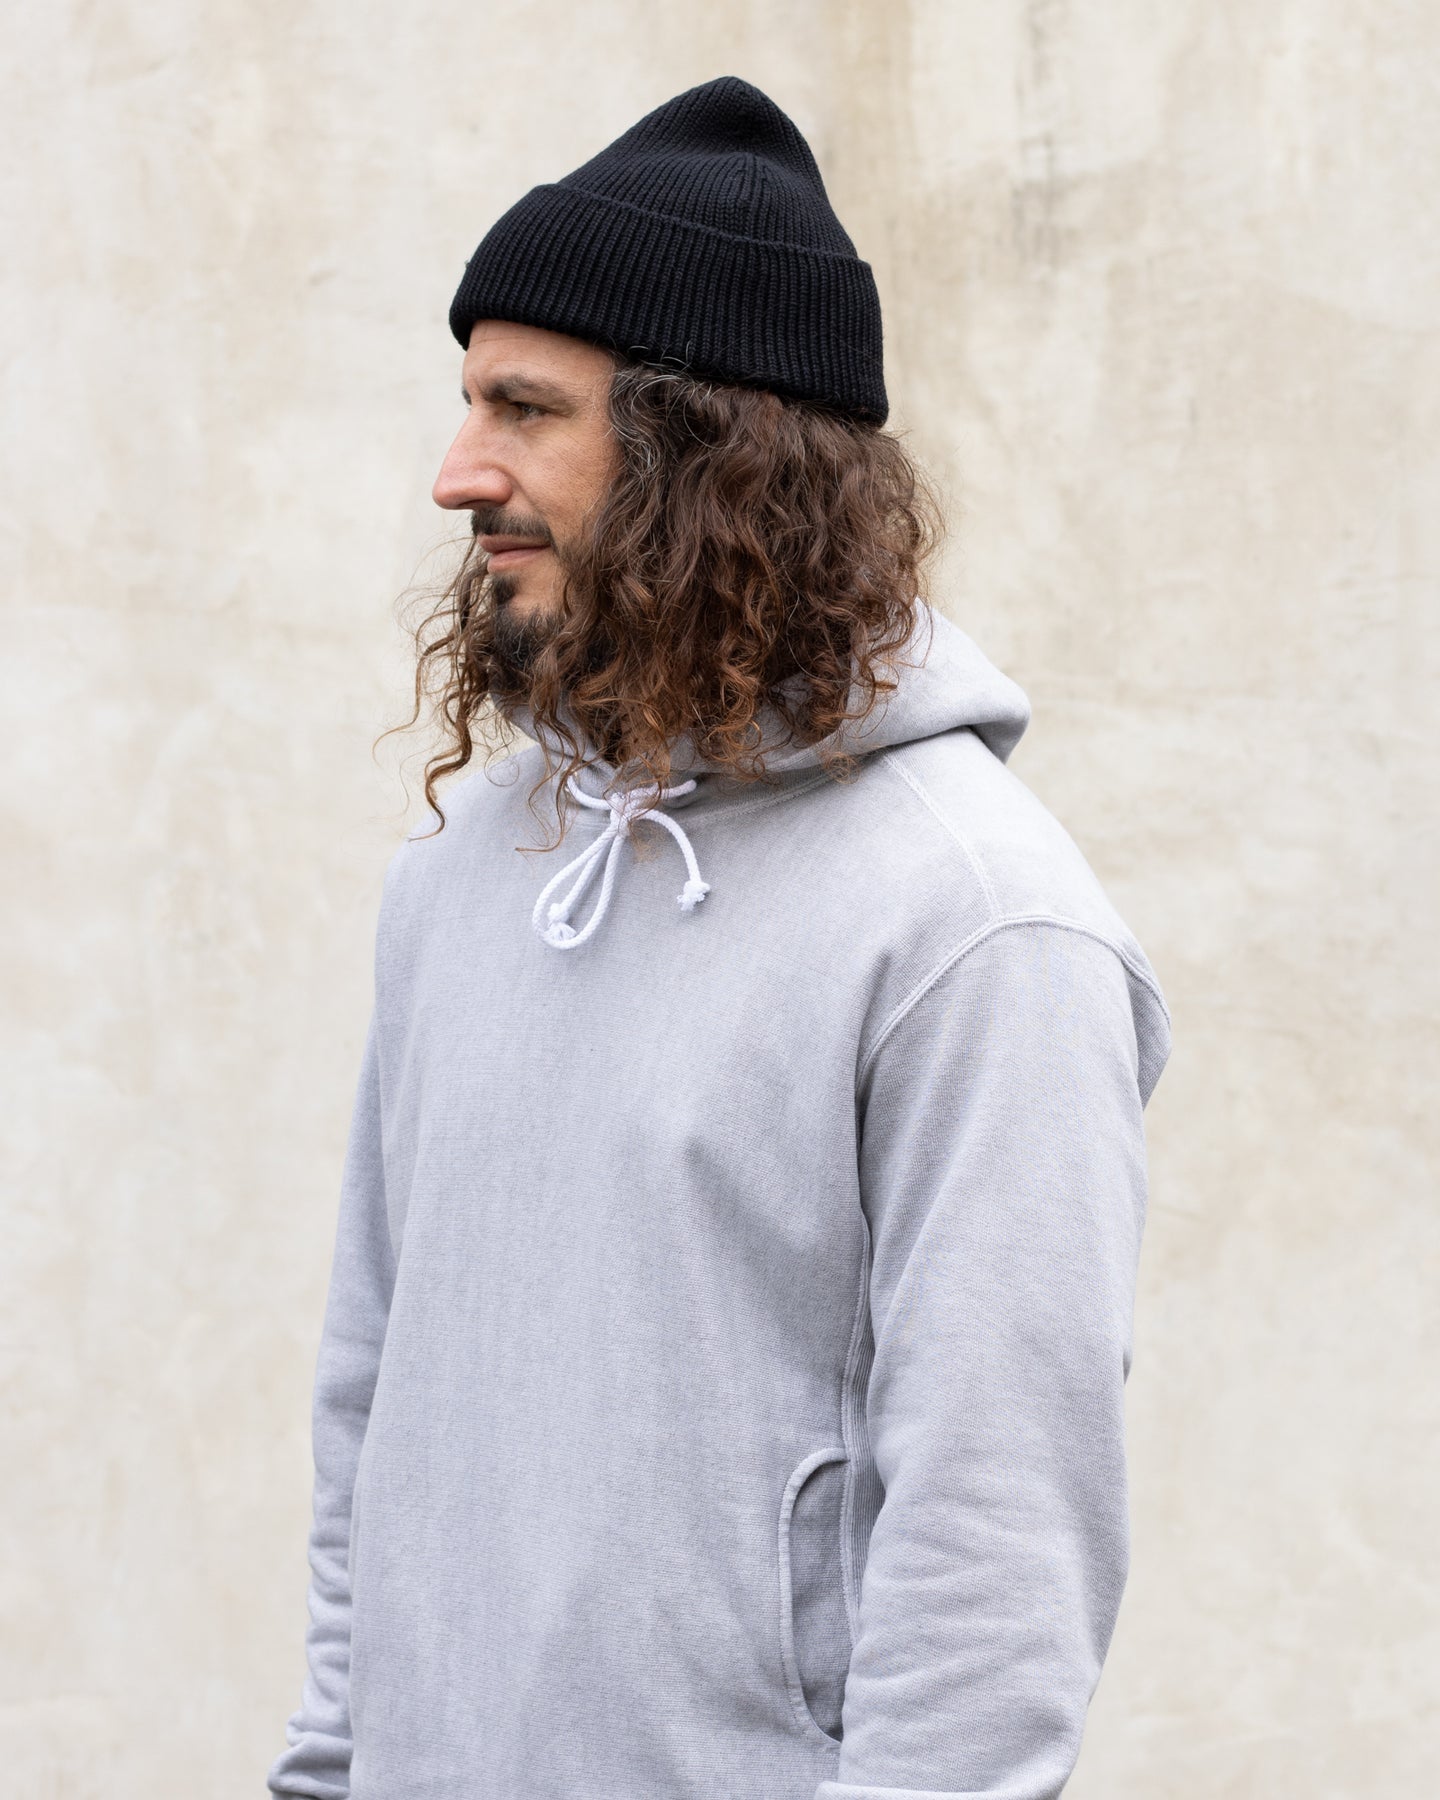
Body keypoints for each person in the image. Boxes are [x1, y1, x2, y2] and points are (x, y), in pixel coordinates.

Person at [267, 75, 1171, 1800]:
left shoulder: (978, 924)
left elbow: (996, 1540)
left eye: (526, 411)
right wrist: (328, 1771)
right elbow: (372, 1403)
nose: (459, 474)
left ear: (714, 456)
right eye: (467, 404)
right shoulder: (464, 869)